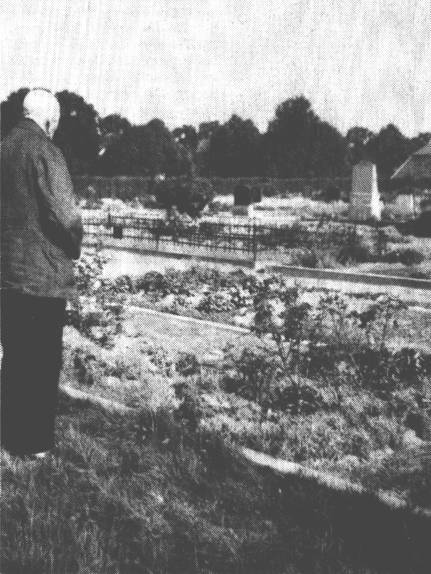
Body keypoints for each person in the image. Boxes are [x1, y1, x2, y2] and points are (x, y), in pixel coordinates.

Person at [1, 88, 83, 459]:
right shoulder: (45, 151)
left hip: (6, 274)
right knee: (41, 361)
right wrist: (75, 245)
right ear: (49, 120)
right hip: (41, 276)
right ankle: (33, 444)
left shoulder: (3, 149)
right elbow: (65, 215)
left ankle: (8, 434)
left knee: (15, 357)